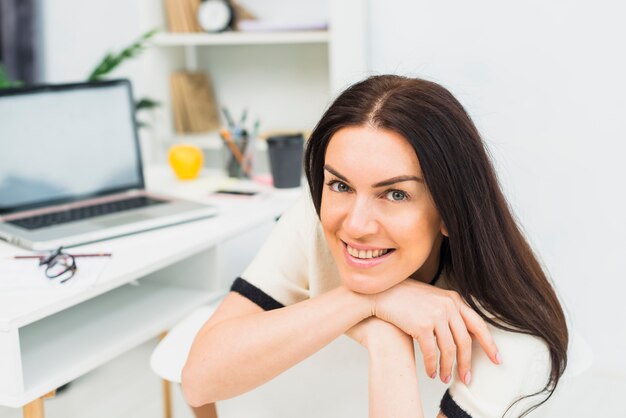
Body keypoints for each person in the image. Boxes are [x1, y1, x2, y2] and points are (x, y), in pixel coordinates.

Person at [182, 75, 568, 418]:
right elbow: (199, 381)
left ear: (451, 211)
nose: (355, 224)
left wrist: (387, 344)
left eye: (395, 194)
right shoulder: (315, 221)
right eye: (340, 185)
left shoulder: (508, 337)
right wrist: (369, 303)